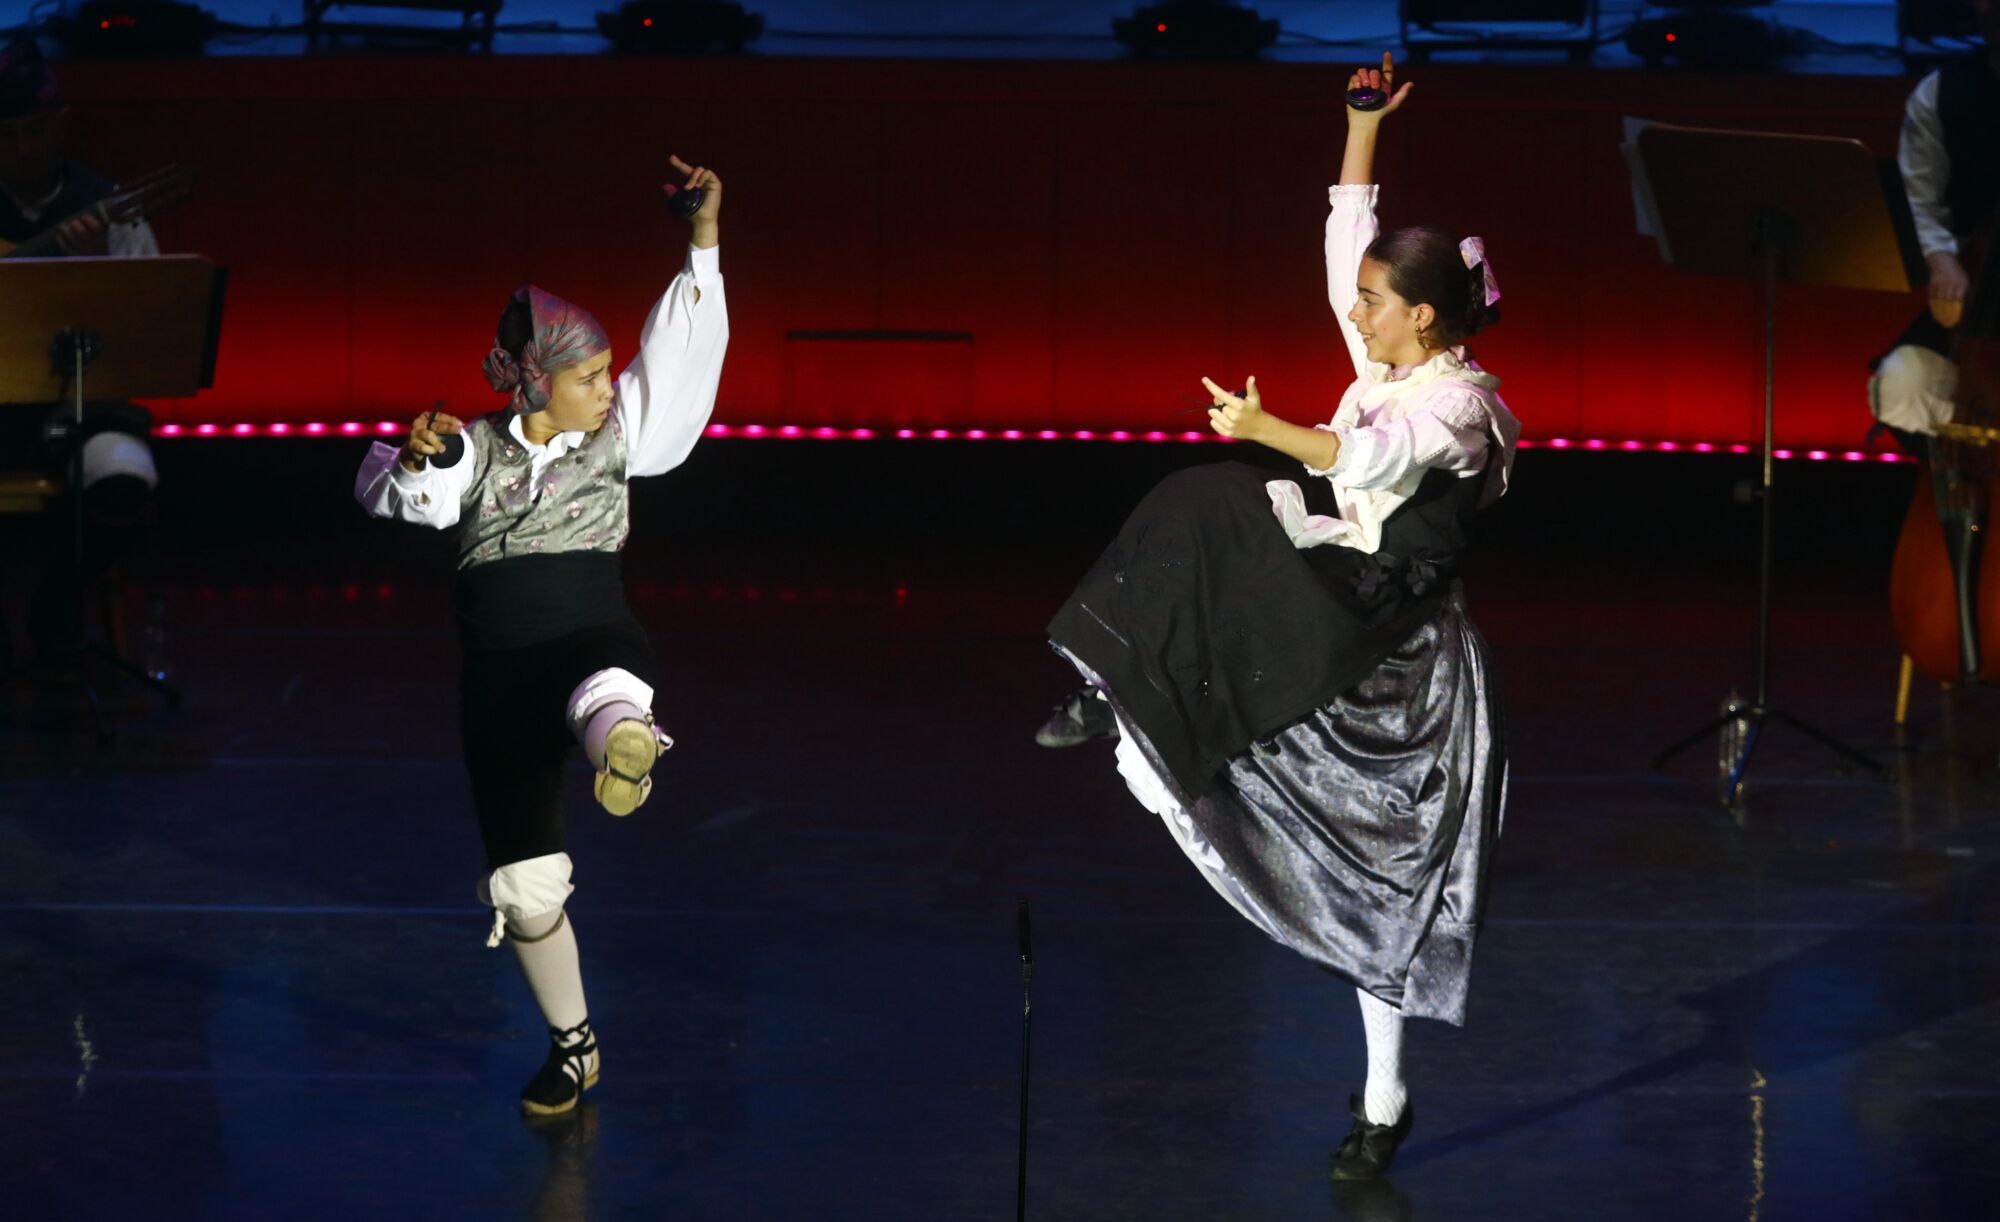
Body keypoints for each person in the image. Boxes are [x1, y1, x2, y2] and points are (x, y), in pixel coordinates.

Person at [1043, 54, 1516, 1180]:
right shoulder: (1393, 357)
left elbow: (1374, 455)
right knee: (1203, 501)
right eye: (1360, 300)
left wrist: (1268, 431)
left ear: (1421, 318)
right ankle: (1117, 690)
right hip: (1328, 608)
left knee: (1378, 890)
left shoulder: (1459, 407)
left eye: (1374, 304)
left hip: (1393, 650)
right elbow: (1345, 247)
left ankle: (1382, 1098)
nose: (1354, 313)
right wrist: (1360, 127)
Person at [354, 155, 728, 1115]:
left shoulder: (620, 436)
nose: (609, 388)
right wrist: (419, 458)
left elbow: (681, 359)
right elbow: (404, 496)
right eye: (590, 377)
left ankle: (626, 745)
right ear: (539, 384)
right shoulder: (471, 445)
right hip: (499, 680)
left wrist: (702, 240)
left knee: (608, 688)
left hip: (588, 629)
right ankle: (575, 1045)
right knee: (524, 889)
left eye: (608, 374)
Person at [0, 35, 162, 673]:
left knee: (125, 482)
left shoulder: (109, 209)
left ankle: (58, 602)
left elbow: (145, 333)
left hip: (80, 404)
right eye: (5, 136)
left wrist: (94, 275)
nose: (20, 150)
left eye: (34, 132)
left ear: (60, 125)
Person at [1868, 0, 1999, 440]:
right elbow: (1920, 201)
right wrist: (1942, 261)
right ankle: (1964, 473)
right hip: (1976, 293)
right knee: (1900, 384)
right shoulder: (1941, 91)